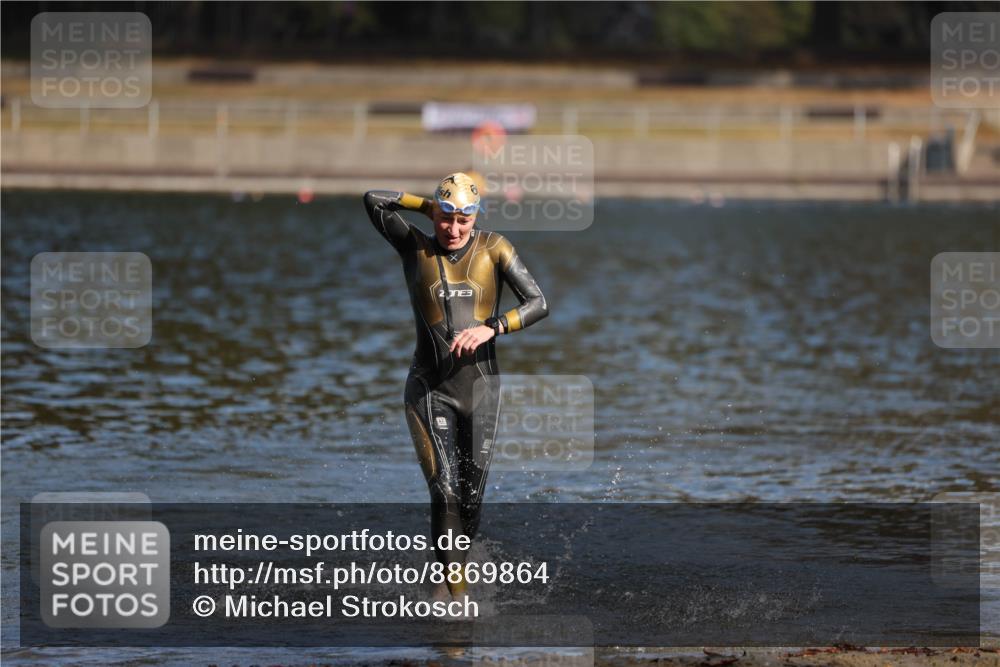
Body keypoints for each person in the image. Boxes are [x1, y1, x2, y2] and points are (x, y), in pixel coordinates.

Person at [363, 173, 548, 599]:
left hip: (481, 390)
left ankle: (448, 580)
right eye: (446, 218)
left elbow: (539, 303)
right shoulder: (416, 245)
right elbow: (373, 200)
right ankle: (458, 600)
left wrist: (493, 328)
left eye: (463, 220)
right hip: (429, 389)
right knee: (443, 490)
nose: (453, 229)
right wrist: (428, 206)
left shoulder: (494, 247)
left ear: (476, 217)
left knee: (470, 500)